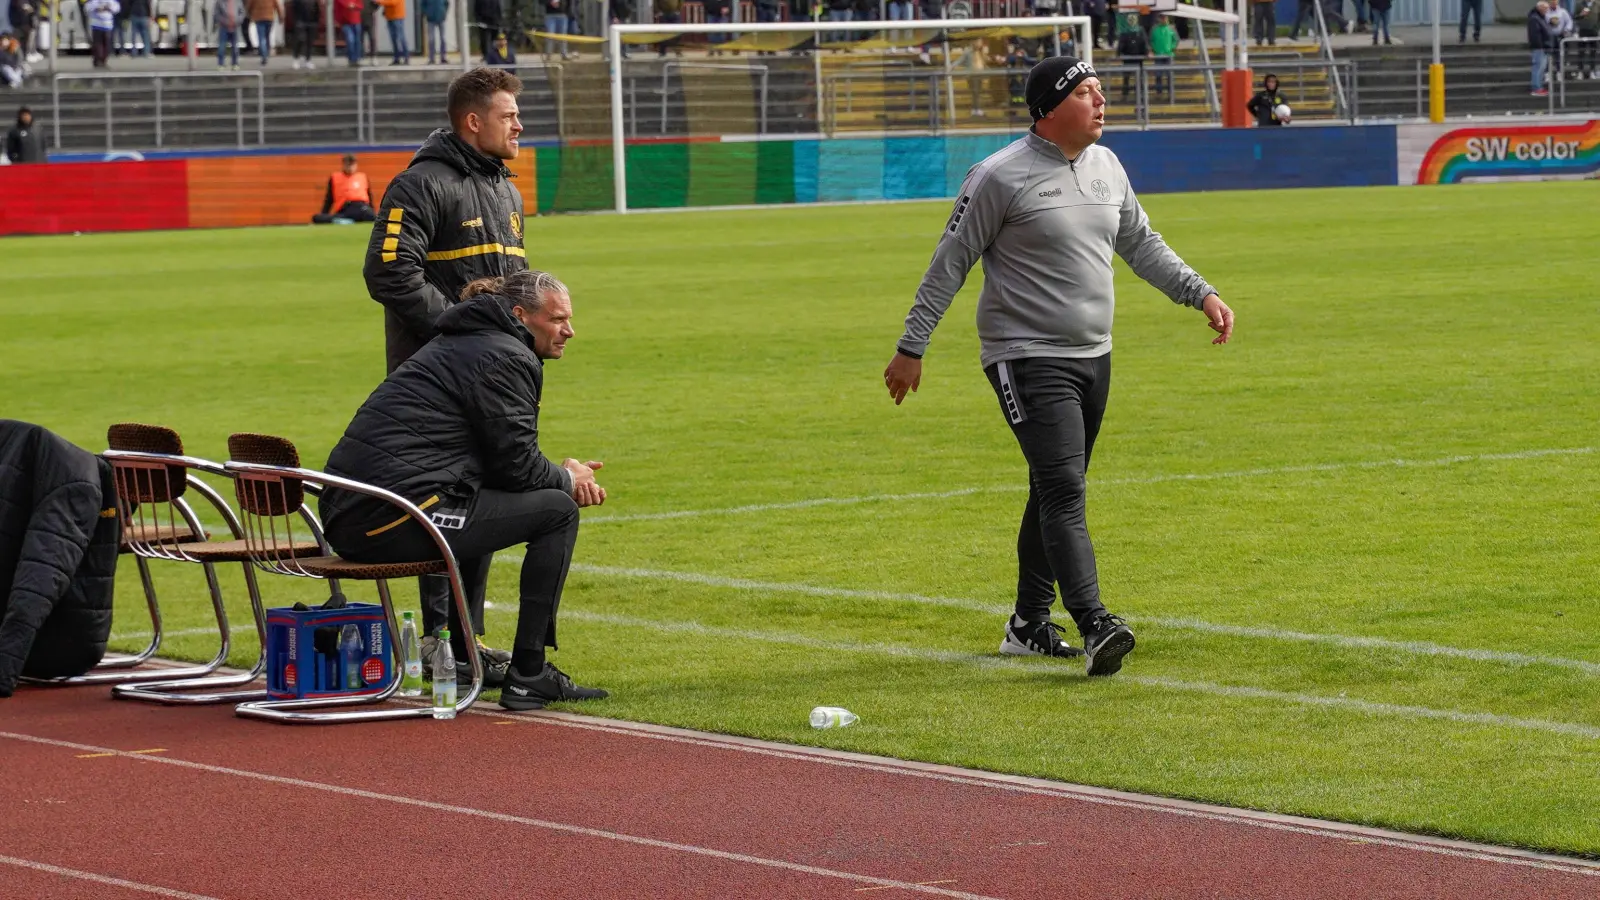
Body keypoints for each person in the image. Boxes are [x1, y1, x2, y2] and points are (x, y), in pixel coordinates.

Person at [884, 56, 1232, 678]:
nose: (1102, 102)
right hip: (1025, 357)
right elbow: (950, 262)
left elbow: (1141, 243)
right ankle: (1096, 622)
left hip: (1094, 356)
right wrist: (913, 348)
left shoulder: (1107, 166)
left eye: (1102, 91)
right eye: (1088, 93)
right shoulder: (998, 177)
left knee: (1052, 487)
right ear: (1049, 108)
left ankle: (1027, 626)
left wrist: (1198, 292)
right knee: (1065, 490)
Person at [319, 270, 610, 710]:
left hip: (361, 514)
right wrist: (568, 479)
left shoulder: (464, 342)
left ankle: (459, 655)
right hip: (391, 519)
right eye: (557, 319)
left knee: (488, 501)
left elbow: (502, 465)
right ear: (520, 315)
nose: (569, 330)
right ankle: (529, 673)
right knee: (557, 510)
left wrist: (560, 473)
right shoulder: (504, 355)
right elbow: (517, 466)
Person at [363, 66, 530, 675]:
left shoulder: (506, 192)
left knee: (483, 503)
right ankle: (436, 640)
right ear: (473, 121)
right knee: (442, 506)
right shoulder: (419, 185)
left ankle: (466, 640)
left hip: (493, 379)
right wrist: (459, 331)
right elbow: (388, 274)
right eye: (509, 114)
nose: (520, 124)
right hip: (431, 387)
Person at [313, 153, 376, 222]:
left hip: (361, 207)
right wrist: (323, 214)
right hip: (345, 209)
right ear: (343, 165)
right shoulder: (335, 178)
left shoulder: (362, 177)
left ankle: (347, 221)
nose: (350, 167)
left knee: (369, 214)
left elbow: (369, 197)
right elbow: (329, 199)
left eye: (352, 165)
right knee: (317, 218)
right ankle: (347, 220)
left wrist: (372, 210)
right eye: (348, 165)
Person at [84, 0, 119, 67]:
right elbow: (87, 8)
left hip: (107, 26)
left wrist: (108, 8)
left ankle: (103, 60)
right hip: (96, 25)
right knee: (97, 44)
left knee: (106, 44)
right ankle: (97, 60)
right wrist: (96, 8)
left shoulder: (111, 1)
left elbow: (116, 8)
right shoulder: (94, 1)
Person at [246, 0, 282, 64]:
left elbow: (249, 6)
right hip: (269, 18)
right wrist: (280, 16)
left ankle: (264, 56)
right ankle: (267, 53)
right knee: (267, 36)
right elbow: (277, 6)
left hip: (259, 18)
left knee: (261, 38)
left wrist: (249, 14)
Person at [1531, 1, 1555, 95]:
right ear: (1540, 8)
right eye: (1545, 8)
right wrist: (1541, 45)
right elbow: (1535, 35)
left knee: (1541, 68)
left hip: (1543, 47)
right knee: (1538, 68)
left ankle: (1539, 86)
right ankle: (1536, 88)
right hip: (1539, 47)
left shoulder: (1540, 18)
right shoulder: (1534, 19)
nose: (1547, 10)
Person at [1150, 13, 1177, 96]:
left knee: (1169, 75)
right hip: (1158, 55)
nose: (1163, 20)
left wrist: (1171, 48)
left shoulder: (1171, 29)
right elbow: (1151, 41)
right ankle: (1159, 92)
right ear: (1159, 19)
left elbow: (1176, 40)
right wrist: (1154, 49)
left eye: (1165, 18)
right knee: (1158, 75)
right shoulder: (1154, 29)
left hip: (1169, 55)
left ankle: (1170, 92)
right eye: (1162, 18)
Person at [288, 0, 318, 68]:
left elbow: (316, 9)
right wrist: (296, 21)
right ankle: (296, 59)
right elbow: (293, 9)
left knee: (310, 42)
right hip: (300, 21)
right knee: (300, 40)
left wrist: (316, 21)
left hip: (311, 22)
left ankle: (307, 60)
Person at [216, 0, 244, 67]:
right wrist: (225, 22)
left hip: (235, 26)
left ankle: (235, 63)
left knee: (235, 46)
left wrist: (238, 21)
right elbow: (216, 14)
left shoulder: (238, 1)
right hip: (224, 27)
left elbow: (242, 12)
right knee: (222, 46)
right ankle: (221, 64)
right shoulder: (220, 2)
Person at [1577, 0, 1598, 79]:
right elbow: (1575, 17)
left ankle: (1592, 71)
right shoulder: (1579, 4)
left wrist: (1597, 28)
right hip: (1583, 31)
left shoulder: (1597, 4)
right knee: (1581, 52)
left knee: (1593, 52)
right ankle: (1580, 71)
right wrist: (1581, 15)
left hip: (1594, 31)